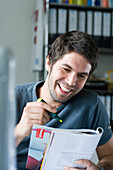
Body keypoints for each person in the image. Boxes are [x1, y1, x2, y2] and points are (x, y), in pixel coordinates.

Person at [15, 30, 113, 170]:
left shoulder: (92, 104)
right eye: (66, 69)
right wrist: (19, 131)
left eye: (81, 76)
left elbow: (109, 155)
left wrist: (100, 168)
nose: (71, 82)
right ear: (49, 62)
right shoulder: (11, 98)